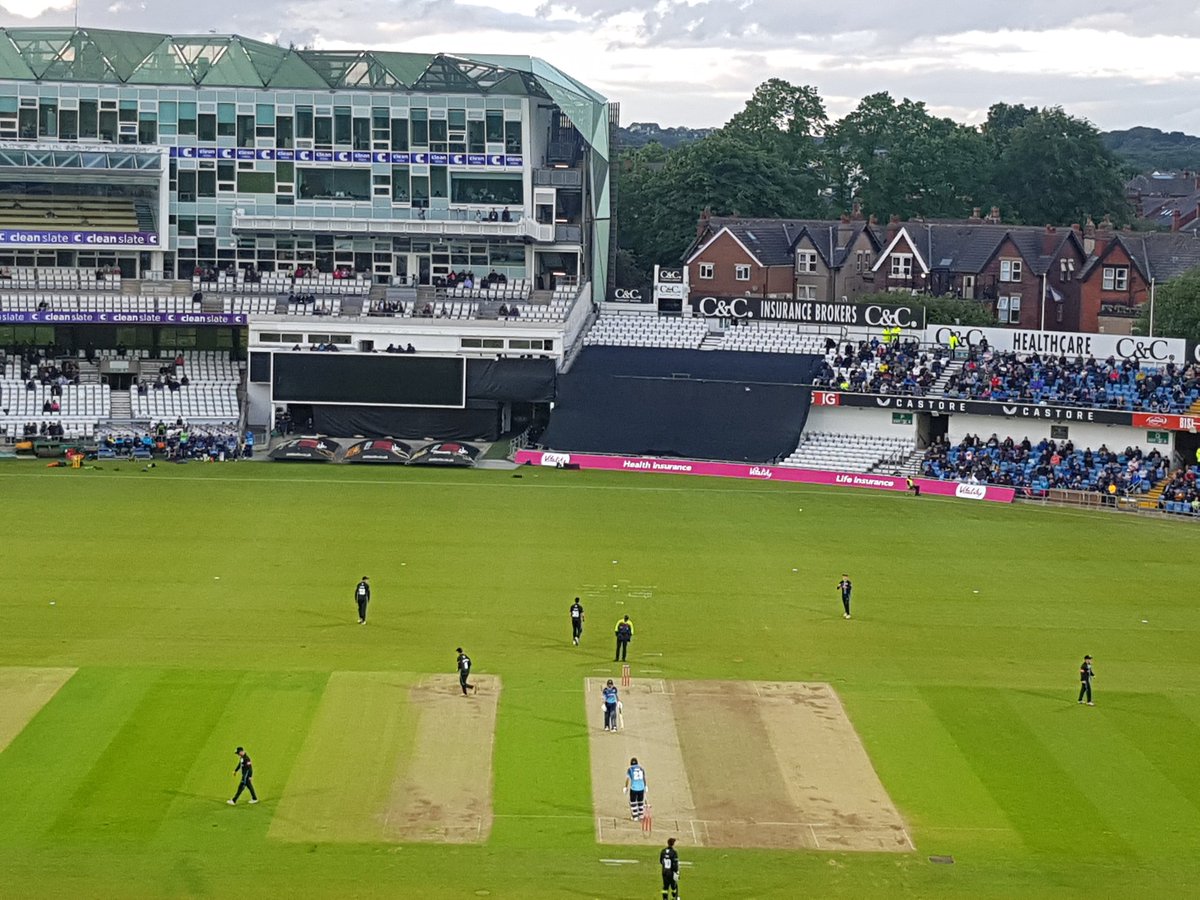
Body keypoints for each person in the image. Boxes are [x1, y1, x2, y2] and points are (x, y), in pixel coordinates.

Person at [624, 757, 647, 821]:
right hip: (641, 787)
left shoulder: (630, 769)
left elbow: (627, 779)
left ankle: (635, 817)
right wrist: (645, 786)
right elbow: (644, 778)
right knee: (640, 802)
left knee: (633, 802)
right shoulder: (641, 769)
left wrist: (626, 787)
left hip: (634, 788)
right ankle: (641, 816)